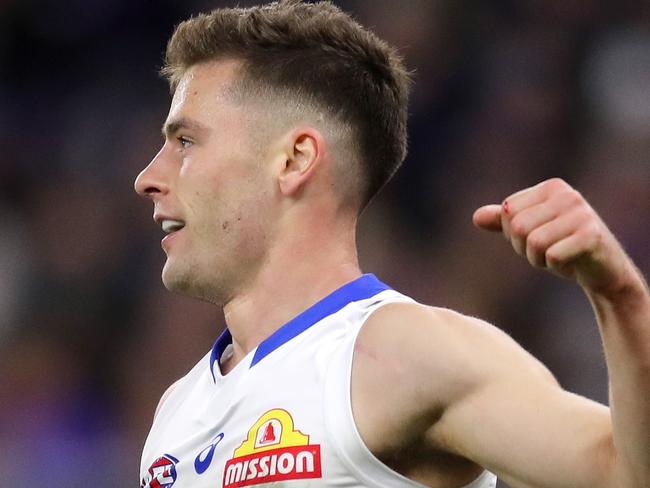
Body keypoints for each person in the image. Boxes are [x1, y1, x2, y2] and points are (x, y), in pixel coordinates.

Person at [134, 1, 650, 487]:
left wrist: (620, 296)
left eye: (185, 141)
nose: (147, 177)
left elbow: (625, 475)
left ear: (293, 160)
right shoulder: (177, 414)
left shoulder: (403, 353)